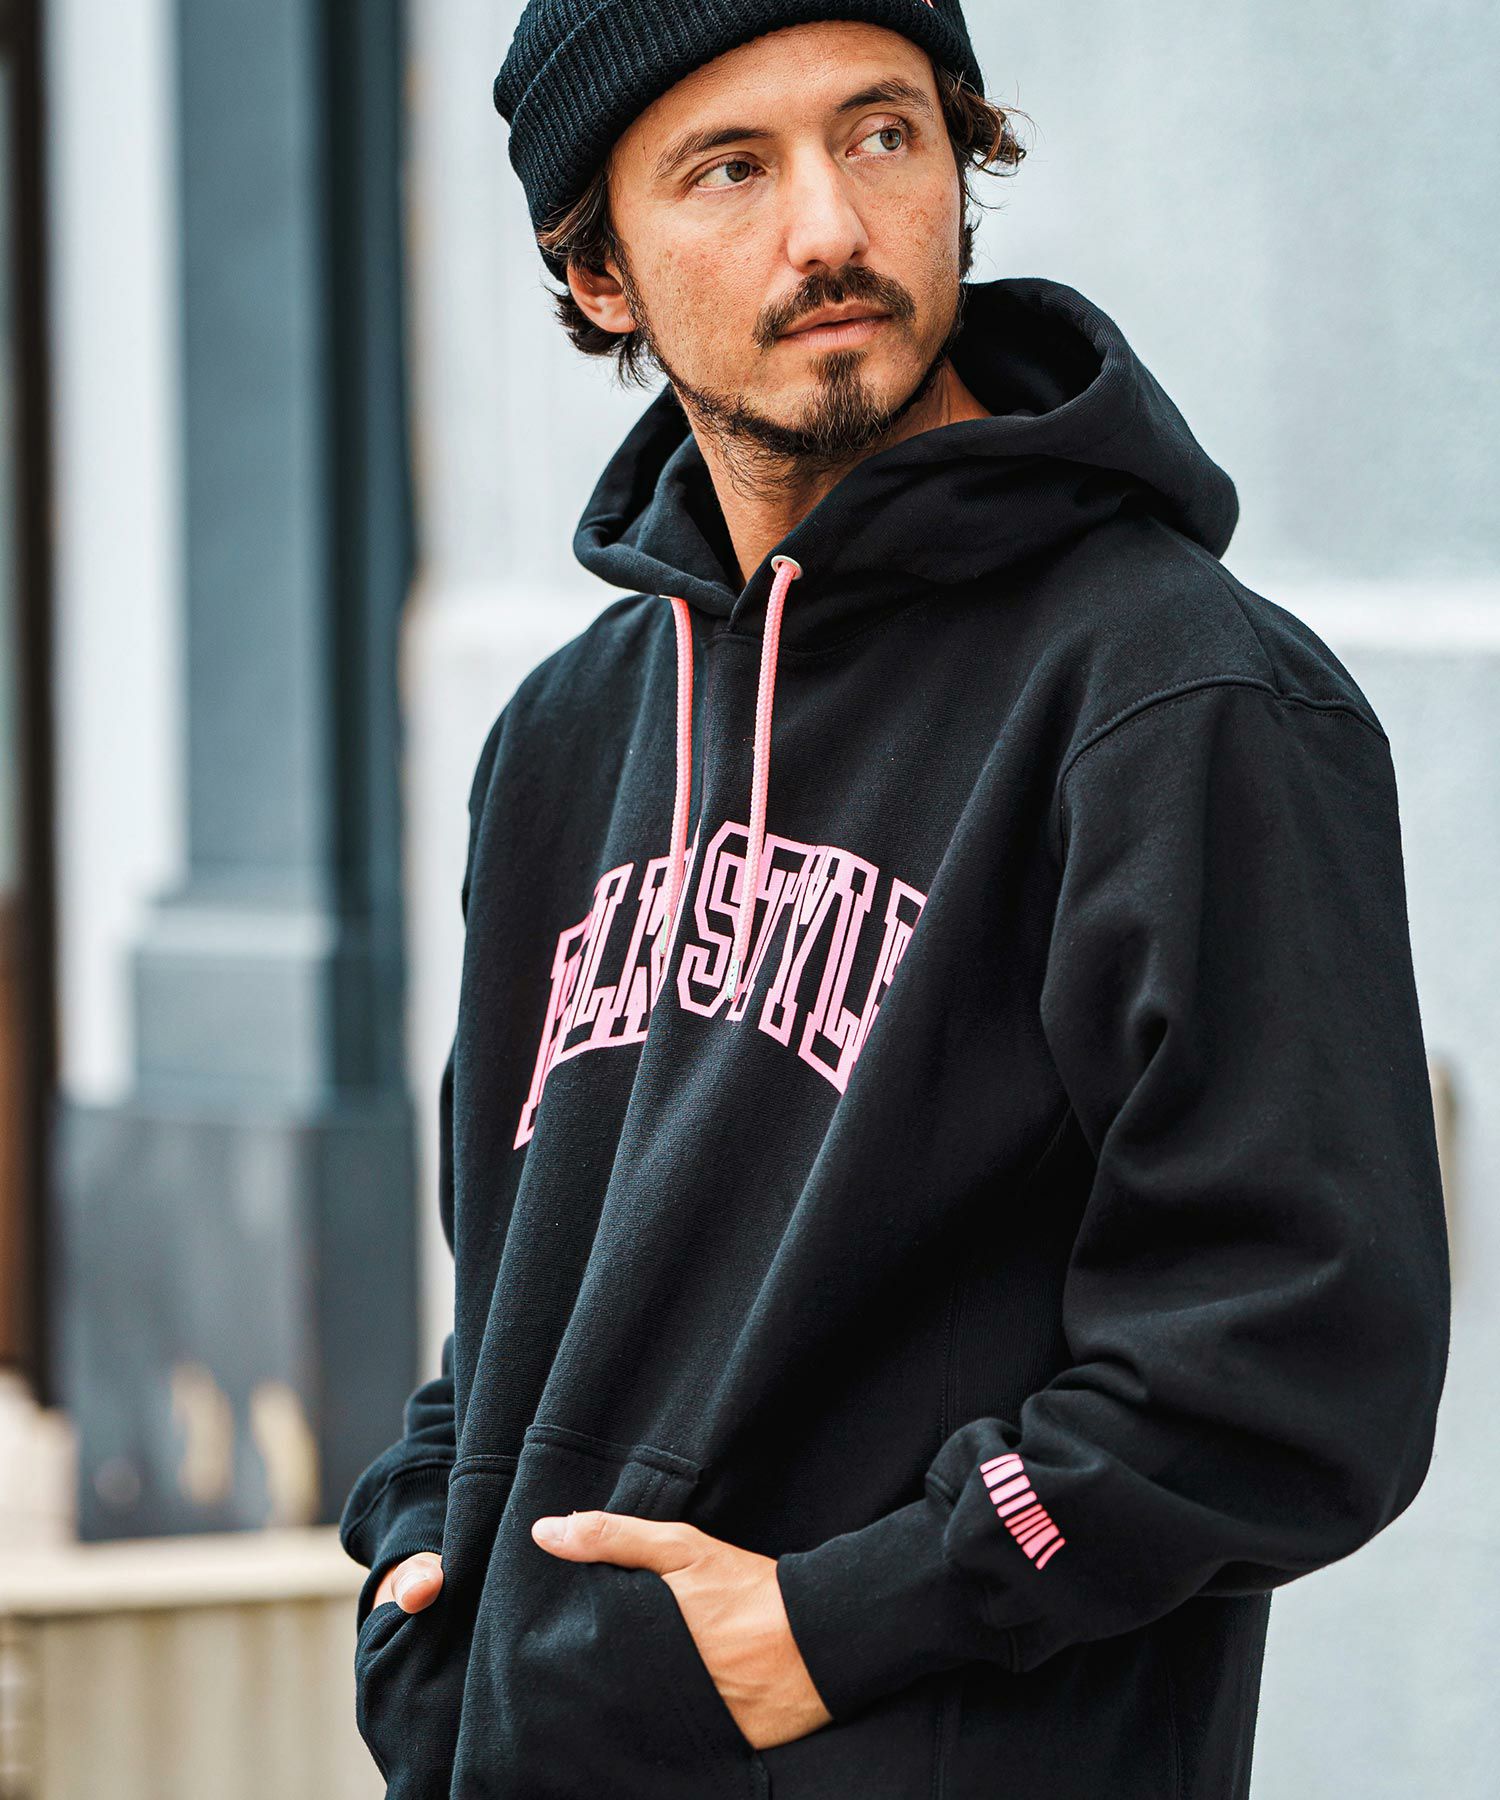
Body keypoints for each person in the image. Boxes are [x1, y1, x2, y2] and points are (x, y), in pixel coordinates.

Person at [338, 3, 1452, 1795]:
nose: (831, 228)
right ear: (599, 271)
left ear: (958, 161)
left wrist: (837, 1626)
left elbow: (1299, 1362)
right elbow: (519, 1278)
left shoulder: (1178, 700)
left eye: (880, 134)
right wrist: (419, 1529)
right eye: (730, 169)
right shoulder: (565, 737)